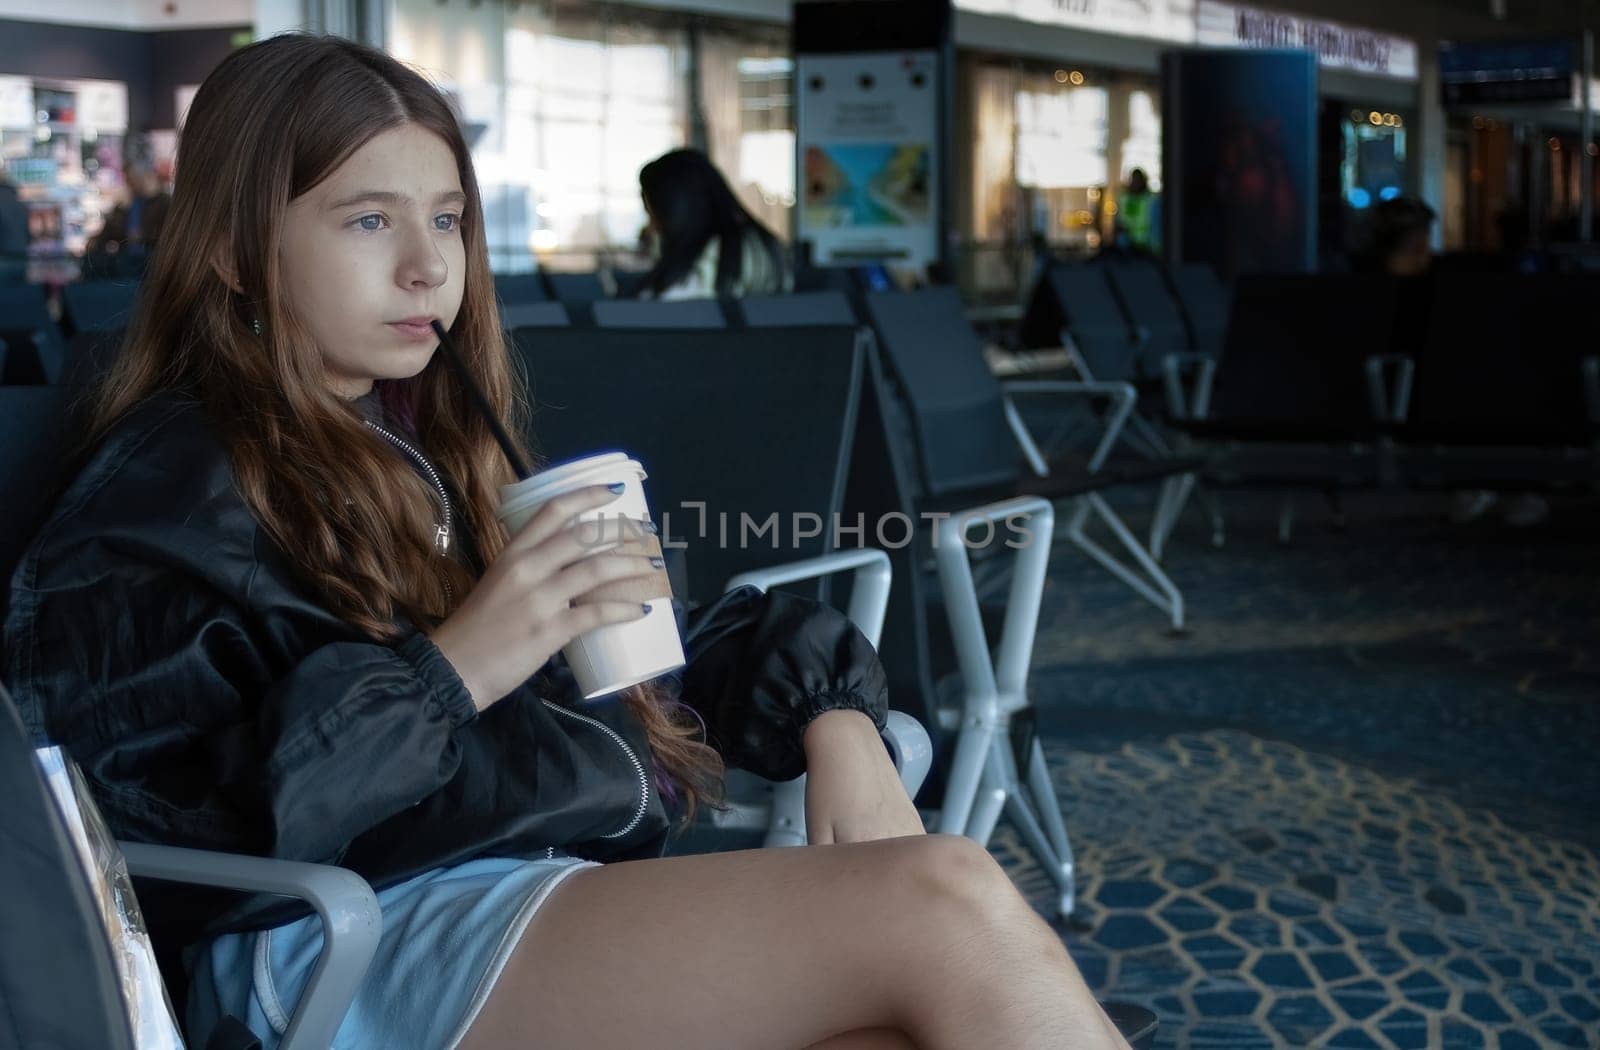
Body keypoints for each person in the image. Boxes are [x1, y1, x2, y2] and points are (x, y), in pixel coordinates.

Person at [3, 35, 1130, 1050]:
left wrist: (833, 714)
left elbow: (651, 656)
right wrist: (454, 671)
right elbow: (140, 831)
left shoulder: (419, 451)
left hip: (516, 894)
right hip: (337, 948)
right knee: (943, 899)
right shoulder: (170, 488)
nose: (426, 264)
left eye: (446, 217)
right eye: (366, 219)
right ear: (238, 252)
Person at [636, 147, 790, 300]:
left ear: (677, 215)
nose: (652, 228)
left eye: (655, 217)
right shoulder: (763, 248)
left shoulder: (703, 269)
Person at [1113, 168, 1160, 254]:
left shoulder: (1152, 200)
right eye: (1134, 180)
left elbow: (1155, 227)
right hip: (1127, 247)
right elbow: (1118, 223)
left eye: (1138, 181)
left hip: (1147, 247)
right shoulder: (1123, 199)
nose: (1135, 183)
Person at [0, 166, 29, 284]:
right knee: (19, 295)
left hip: (4, 255)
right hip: (21, 255)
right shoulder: (21, 205)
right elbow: (27, 232)